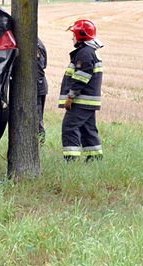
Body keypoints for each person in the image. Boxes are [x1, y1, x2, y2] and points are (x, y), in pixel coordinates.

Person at [58, 19, 103, 161]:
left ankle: (71, 159)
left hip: (81, 100)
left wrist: (70, 96)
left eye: (74, 35)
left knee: (69, 127)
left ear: (81, 35)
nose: (72, 38)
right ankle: (94, 159)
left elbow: (81, 78)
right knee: (88, 130)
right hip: (87, 102)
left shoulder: (84, 53)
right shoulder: (88, 52)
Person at [37, 37, 48, 144]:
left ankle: (40, 144)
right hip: (38, 85)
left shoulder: (33, 44)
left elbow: (40, 67)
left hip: (37, 87)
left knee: (37, 119)